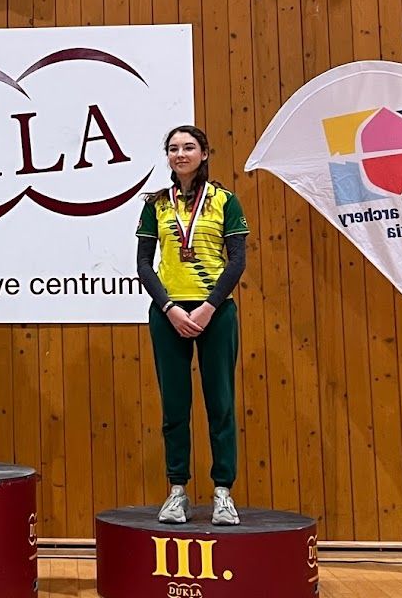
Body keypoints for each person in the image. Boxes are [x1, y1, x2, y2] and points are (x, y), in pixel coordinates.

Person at [136, 125, 249, 526]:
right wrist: (169, 307)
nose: (180, 154)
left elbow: (237, 261)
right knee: (174, 406)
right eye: (173, 148)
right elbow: (143, 264)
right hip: (168, 313)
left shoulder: (225, 201)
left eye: (188, 147)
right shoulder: (156, 204)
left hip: (215, 313)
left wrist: (207, 308)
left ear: (204, 153)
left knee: (220, 403)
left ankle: (223, 493)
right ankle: (177, 491)